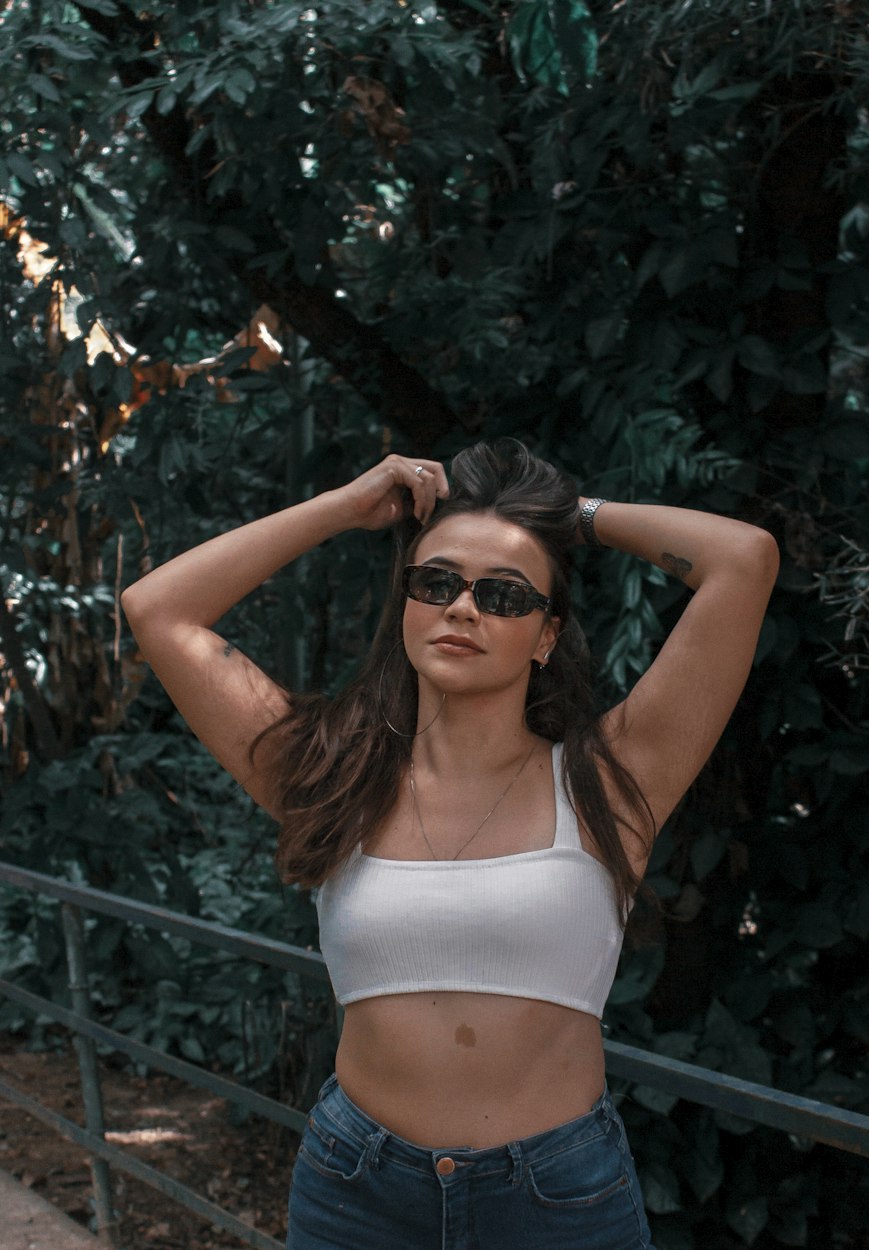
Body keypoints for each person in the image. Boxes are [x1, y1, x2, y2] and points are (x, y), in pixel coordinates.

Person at [121, 438, 779, 1250]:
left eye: (503, 594)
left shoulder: (612, 783)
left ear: (546, 636)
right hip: (356, 1191)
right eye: (436, 583)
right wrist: (346, 507)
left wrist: (559, 517)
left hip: (557, 1200)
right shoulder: (331, 776)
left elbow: (743, 560)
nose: (463, 608)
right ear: (406, 605)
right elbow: (158, 609)